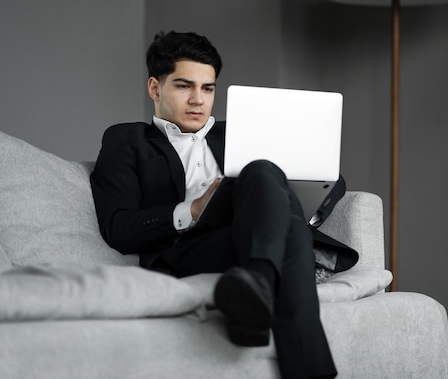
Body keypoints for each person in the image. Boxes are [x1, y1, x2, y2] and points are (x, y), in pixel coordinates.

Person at [90, 31, 337, 379]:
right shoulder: (125, 140)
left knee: (264, 173)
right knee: (290, 229)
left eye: (207, 88)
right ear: (155, 88)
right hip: (186, 249)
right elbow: (118, 226)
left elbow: (331, 179)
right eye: (183, 86)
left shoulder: (240, 132)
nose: (198, 100)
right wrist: (190, 210)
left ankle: (258, 287)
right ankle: (310, 366)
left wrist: (292, 196)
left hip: (248, 234)